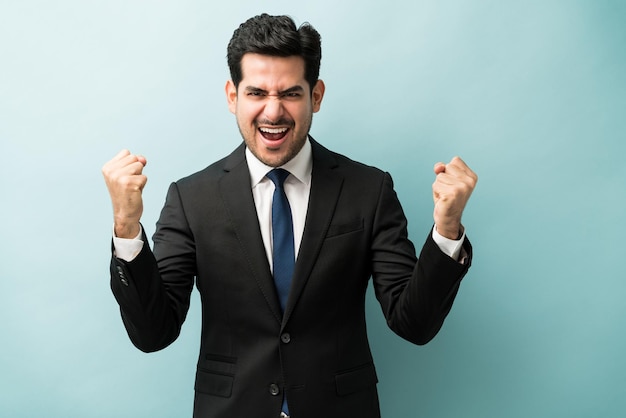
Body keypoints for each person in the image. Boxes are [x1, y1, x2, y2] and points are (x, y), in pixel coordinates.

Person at [102, 13, 477, 418]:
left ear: (316, 95)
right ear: (233, 96)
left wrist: (447, 229)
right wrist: (126, 227)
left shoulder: (369, 190)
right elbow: (154, 332)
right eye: (257, 92)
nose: (273, 111)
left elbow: (413, 324)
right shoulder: (192, 198)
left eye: (291, 94)